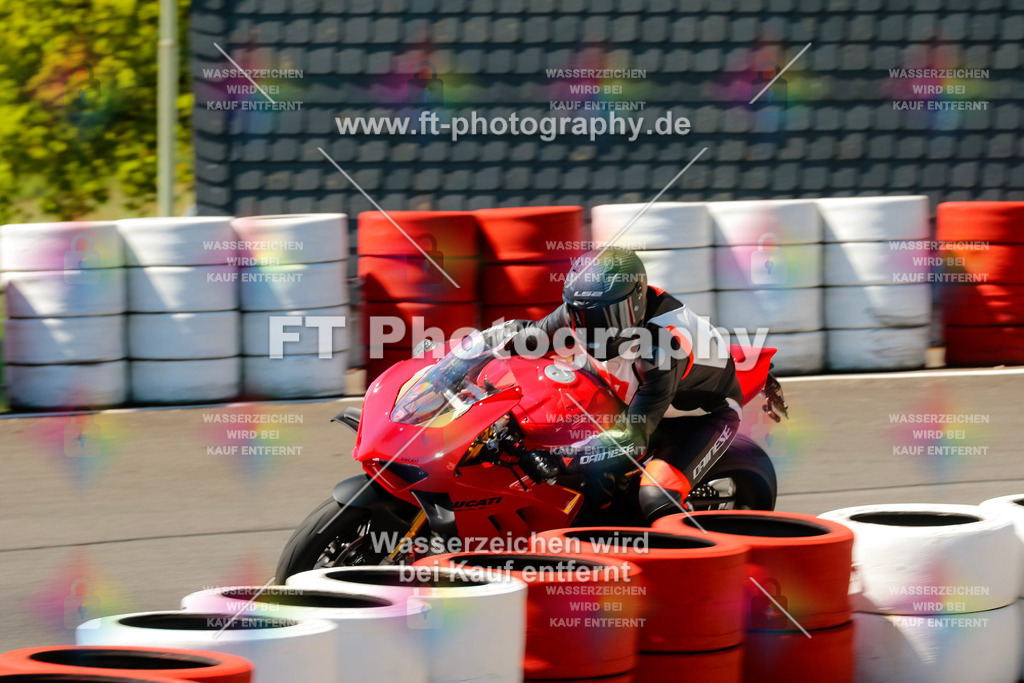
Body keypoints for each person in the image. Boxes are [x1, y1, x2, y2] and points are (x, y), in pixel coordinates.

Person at [495, 248, 754, 520]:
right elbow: (524, 342)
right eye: (586, 319)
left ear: (638, 301)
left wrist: (561, 458)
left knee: (656, 500)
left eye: (612, 317)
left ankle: (683, 549)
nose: (597, 330)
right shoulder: (577, 312)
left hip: (697, 417)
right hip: (625, 393)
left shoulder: (663, 347)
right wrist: (469, 354)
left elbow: (634, 437)